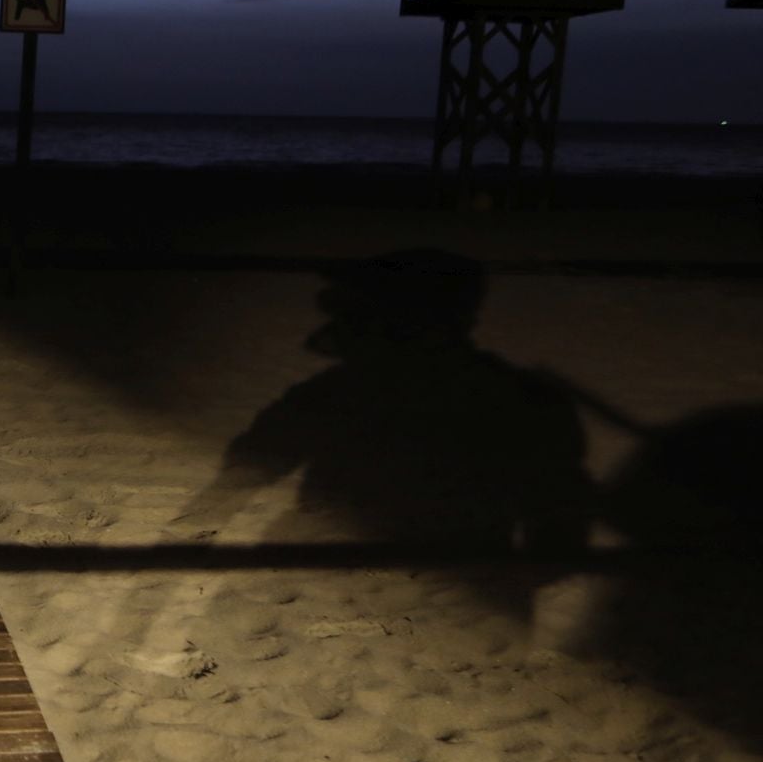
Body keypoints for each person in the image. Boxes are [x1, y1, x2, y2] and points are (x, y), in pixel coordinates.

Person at [172, 249, 591, 617]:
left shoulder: (335, 392)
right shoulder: (525, 398)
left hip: (348, 591)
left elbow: (238, 480)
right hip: (453, 599)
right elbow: (560, 533)